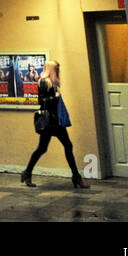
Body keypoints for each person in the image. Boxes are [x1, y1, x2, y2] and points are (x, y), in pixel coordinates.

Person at [21, 60, 89, 189]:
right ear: (51, 69)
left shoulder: (53, 82)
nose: (58, 70)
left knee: (46, 147)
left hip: (55, 120)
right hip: (50, 121)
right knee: (54, 147)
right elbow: (41, 101)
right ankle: (76, 177)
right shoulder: (44, 81)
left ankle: (27, 172)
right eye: (56, 68)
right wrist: (56, 97)